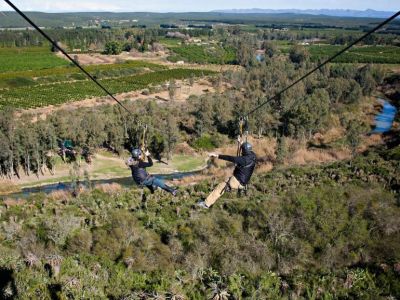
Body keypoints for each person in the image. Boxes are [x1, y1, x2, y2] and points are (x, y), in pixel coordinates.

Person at [198, 140, 256, 209]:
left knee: (220, 188)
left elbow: (230, 158)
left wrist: (217, 155)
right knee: (223, 186)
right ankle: (208, 202)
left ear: (244, 151)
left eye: (242, 150)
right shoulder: (253, 155)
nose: (241, 152)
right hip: (243, 182)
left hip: (236, 181)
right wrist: (241, 143)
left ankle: (206, 204)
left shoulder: (243, 160)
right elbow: (244, 151)